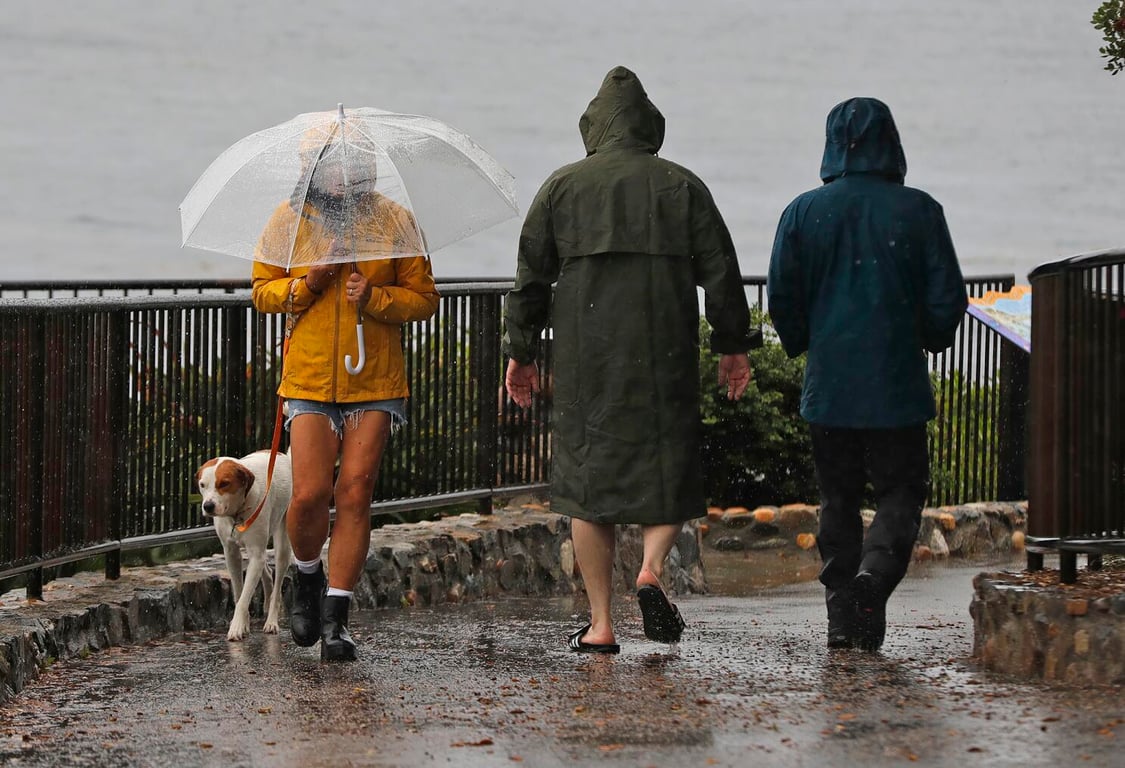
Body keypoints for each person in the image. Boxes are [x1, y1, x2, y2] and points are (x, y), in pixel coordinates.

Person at [503, 66, 760, 653]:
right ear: (650, 125)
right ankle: (650, 568)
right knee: (669, 471)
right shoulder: (682, 186)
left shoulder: (561, 187)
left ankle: (600, 624)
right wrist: (732, 348)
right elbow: (721, 272)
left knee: (587, 489)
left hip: (584, 363)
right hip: (663, 352)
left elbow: (530, 280)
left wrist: (520, 354)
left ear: (594, 125)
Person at [766, 97, 968, 651]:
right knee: (902, 490)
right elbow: (948, 296)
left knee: (837, 498)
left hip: (829, 385)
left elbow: (782, 295)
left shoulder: (803, 212)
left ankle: (843, 621)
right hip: (897, 385)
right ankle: (872, 582)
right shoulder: (920, 211)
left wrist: (806, 342)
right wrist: (927, 338)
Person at [251, 127, 439, 662]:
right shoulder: (288, 223)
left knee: (355, 491)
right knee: (309, 494)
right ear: (312, 169)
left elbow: (425, 299)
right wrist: (308, 284)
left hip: (374, 379)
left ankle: (337, 617)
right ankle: (305, 579)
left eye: (357, 164)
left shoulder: (393, 222)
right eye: (334, 165)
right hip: (310, 378)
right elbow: (263, 292)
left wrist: (375, 296)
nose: (347, 174)